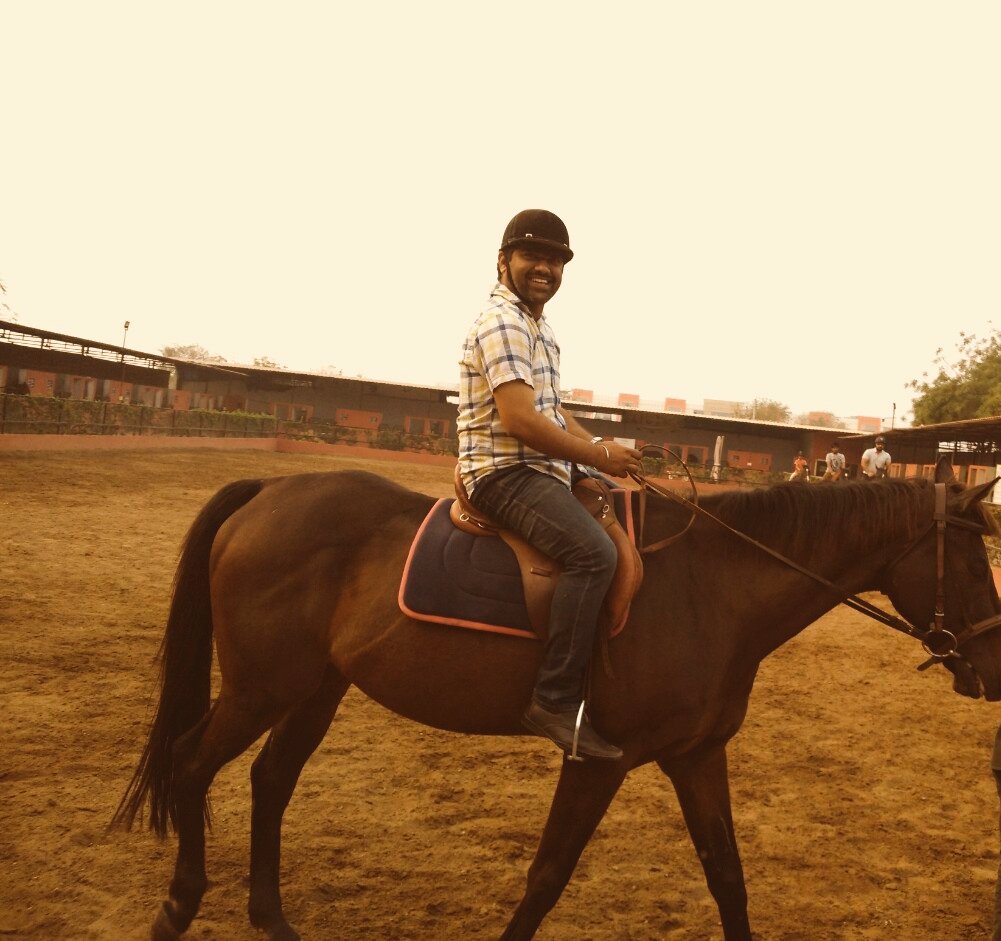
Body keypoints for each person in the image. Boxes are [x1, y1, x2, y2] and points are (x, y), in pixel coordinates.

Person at [457, 209, 642, 760]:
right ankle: (554, 700)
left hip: (541, 468)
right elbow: (520, 420)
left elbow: (551, 412)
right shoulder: (504, 324)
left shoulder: (540, 328)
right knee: (593, 555)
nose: (544, 268)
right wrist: (598, 455)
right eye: (532, 256)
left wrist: (602, 455)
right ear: (503, 261)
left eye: (555, 261)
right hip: (503, 472)